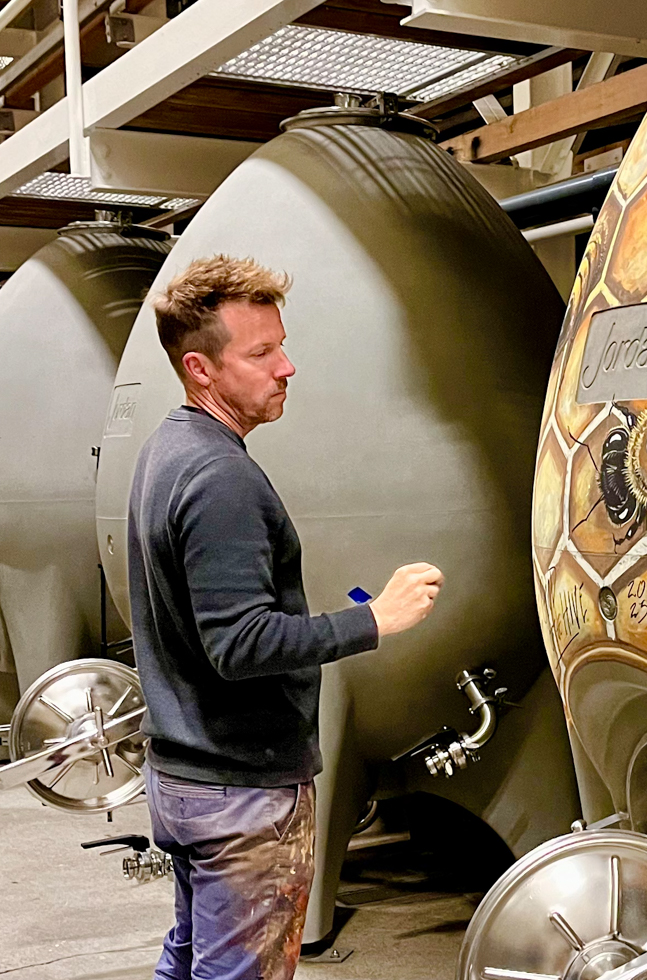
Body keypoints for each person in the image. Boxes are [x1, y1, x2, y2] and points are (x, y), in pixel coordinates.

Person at [129, 255, 444, 980]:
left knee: (194, 959)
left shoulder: (168, 450)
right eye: (261, 352)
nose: (287, 366)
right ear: (201, 369)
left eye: (282, 344)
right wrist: (375, 621)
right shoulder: (220, 478)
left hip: (185, 777)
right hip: (240, 794)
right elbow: (238, 644)